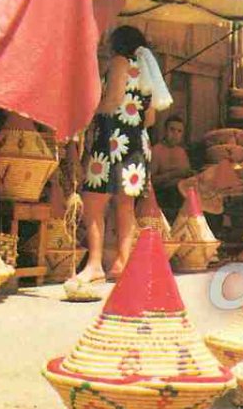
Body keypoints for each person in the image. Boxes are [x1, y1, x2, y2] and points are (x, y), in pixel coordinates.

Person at [71, 25, 172, 285]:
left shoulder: (119, 62)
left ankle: (94, 265)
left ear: (117, 44)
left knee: (93, 202)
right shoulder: (146, 70)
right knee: (125, 206)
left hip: (112, 141)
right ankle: (123, 263)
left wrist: (86, 111)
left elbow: (113, 101)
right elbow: (149, 118)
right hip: (137, 143)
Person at [151, 115, 193, 220]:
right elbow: (150, 182)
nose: (175, 134)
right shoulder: (156, 150)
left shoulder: (181, 152)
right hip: (164, 195)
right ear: (165, 131)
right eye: (172, 130)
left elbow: (187, 175)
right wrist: (174, 174)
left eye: (179, 131)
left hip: (183, 193)